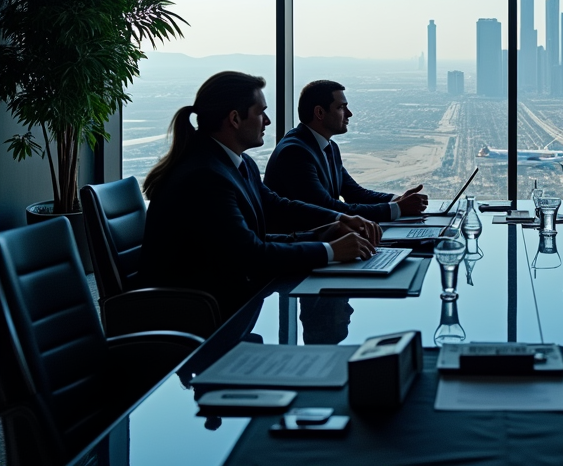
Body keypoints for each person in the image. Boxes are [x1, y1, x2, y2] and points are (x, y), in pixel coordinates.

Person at [140, 72, 381, 316]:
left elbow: (278, 206)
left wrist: (332, 224)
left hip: (229, 298)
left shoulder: (238, 164)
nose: (267, 121)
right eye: (260, 112)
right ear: (234, 118)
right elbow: (251, 254)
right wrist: (330, 251)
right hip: (200, 314)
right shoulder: (206, 177)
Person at [263, 80, 428, 224]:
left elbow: (353, 192)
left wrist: (396, 200)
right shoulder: (295, 152)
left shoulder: (328, 146)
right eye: (341, 107)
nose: (349, 114)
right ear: (320, 112)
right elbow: (327, 208)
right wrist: (396, 209)